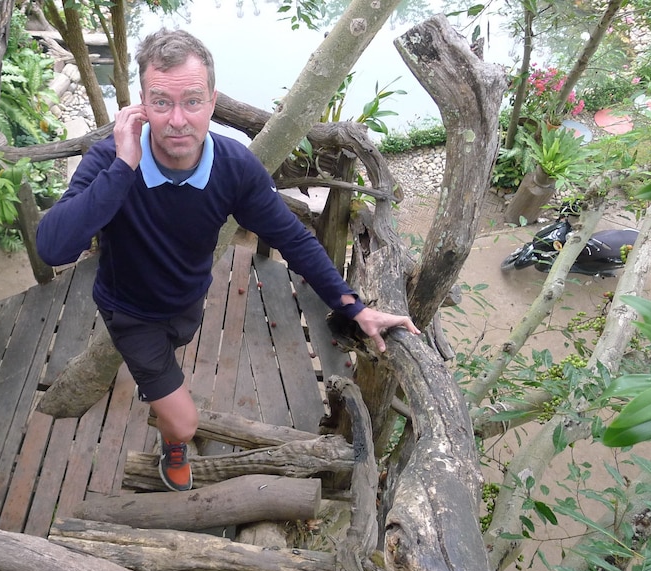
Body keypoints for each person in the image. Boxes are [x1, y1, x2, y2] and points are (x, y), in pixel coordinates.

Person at [36, 28, 419, 492]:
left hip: (187, 300)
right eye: (161, 102)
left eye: (192, 101)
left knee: (176, 346)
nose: (178, 120)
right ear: (141, 104)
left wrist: (354, 307)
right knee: (183, 421)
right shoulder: (111, 161)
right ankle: (173, 441)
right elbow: (53, 248)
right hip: (129, 312)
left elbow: (293, 239)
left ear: (212, 101)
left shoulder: (233, 167)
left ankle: (160, 390)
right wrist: (123, 168)